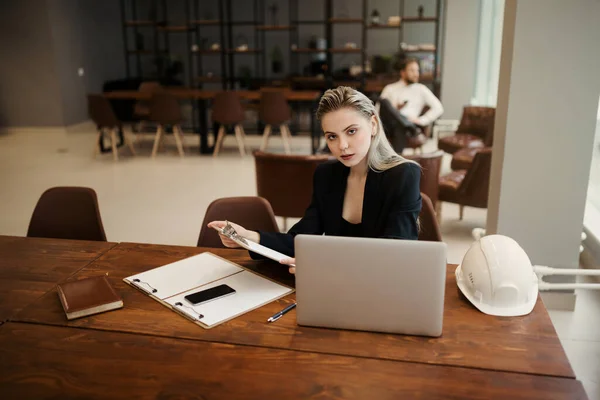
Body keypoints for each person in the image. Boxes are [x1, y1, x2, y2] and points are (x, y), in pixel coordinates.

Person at [208, 86, 422, 274]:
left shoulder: (403, 175)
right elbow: (302, 240)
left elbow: (396, 253)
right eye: (332, 136)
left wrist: (323, 266)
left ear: (373, 125)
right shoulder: (326, 175)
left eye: (351, 131)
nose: (342, 145)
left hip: (383, 289)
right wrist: (249, 237)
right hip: (333, 288)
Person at [377, 58, 444, 151]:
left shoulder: (421, 89)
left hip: (407, 125)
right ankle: (406, 124)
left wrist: (421, 120)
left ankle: (396, 162)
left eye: (417, 70)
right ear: (403, 72)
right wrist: (395, 108)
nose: (416, 74)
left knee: (399, 128)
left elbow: (438, 108)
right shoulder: (390, 88)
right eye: (412, 70)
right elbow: (378, 110)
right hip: (389, 125)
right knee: (383, 101)